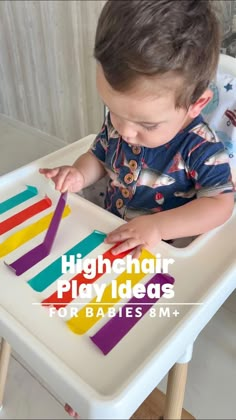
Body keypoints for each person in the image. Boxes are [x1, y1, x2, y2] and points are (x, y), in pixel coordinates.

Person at [40, 0, 234, 260]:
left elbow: (220, 205)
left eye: (147, 124)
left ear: (196, 105)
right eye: (112, 109)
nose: (125, 131)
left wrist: (158, 226)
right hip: (110, 233)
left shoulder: (202, 149)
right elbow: (99, 157)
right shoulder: (122, 123)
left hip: (161, 254)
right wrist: (79, 174)